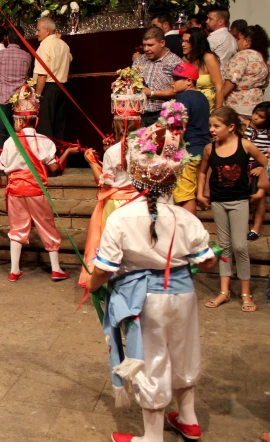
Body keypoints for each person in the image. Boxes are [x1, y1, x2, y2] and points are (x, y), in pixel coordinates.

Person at [85, 105, 216, 442]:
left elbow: (104, 267)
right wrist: (205, 257)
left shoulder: (121, 217)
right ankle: (188, 418)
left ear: (136, 174)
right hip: (183, 294)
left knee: (152, 359)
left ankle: (152, 436)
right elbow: (207, 262)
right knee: (184, 351)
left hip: (144, 300)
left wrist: (91, 284)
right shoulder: (185, 218)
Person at [0, 80, 78, 282]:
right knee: (46, 226)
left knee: (17, 228)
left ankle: (14, 270)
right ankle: (56, 268)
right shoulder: (44, 142)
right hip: (36, 189)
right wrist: (67, 152)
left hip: (16, 190)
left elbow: (2, 166)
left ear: (19, 121)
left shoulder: (10, 142)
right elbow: (53, 168)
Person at [198, 107, 267, 312]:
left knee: (239, 246)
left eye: (216, 126)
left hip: (239, 201)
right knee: (225, 246)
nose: (212, 129)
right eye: (210, 125)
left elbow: (266, 164)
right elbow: (203, 172)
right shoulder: (210, 149)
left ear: (230, 127)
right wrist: (201, 193)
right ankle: (224, 291)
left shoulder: (245, 145)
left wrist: (261, 187)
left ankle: (246, 293)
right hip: (219, 201)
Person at [80, 82, 144, 288]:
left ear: (116, 124)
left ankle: (113, 280)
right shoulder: (148, 148)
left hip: (116, 204)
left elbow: (104, 181)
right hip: (139, 200)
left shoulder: (112, 152)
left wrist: (91, 161)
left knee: (113, 243)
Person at [166, 64, 211, 215]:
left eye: (177, 79)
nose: (172, 82)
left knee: (185, 197)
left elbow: (180, 127)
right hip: (203, 150)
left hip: (189, 152)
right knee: (193, 194)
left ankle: (189, 235)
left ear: (189, 81)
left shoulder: (183, 97)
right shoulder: (202, 96)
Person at [132, 27, 183, 126]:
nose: (146, 49)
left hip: (162, 115)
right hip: (139, 114)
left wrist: (151, 93)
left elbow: (179, 90)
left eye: (150, 45)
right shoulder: (139, 60)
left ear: (162, 43)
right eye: (144, 45)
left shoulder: (175, 62)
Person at [219, 24, 270, 119]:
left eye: (239, 39)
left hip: (238, 106)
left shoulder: (242, 56)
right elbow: (265, 84)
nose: (237, 42)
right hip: (256, 106)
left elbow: (233, 79)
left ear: (247, 41)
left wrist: (219, 97)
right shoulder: (262, 58)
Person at [0, 30, 33, 147]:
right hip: (19, 100)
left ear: (7, 39)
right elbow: (27, 74)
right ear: (21, 41)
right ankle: (19, 159)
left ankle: (1, 161)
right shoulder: (27, 56)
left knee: (0, 132)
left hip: (1, 97)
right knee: (19, 132)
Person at [33, 17, 72, 141]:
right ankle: (60, 155)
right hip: (62, 88)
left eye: (38, 30)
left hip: (48, 89)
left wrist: (37, 97)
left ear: (48, 30)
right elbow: (70, 59)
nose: (36, 33)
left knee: (45, 126)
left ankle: (47, 158)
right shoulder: (64, 45)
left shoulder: (44, 46)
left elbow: (42, 75)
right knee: (59, 126)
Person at [181, 27, 223, 110]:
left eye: (187, 42)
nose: (183, 44)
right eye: (182, 41)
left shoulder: (208, 57)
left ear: (196, 43)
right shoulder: (185, 59)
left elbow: (219, 87)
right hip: (191, 105)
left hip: (209, 106)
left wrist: (218, 113)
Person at [246, 102, 270, 242]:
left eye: (260, 116)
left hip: (260, 166)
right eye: (255, 113)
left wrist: (262, 168)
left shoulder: (267, 133)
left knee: (259, 196)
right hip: (241, 164)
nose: (255, 117)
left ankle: (256, 228)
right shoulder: (244, 126)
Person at [206, 8, 239, 73]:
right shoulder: (231, 38)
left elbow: (200, 56)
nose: (207, 21)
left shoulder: (215, 37)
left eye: (210, 19)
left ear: (220, 22)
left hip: (214, 75)